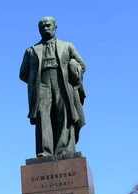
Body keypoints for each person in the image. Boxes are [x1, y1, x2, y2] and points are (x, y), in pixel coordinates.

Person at [19, 17, 87, 157]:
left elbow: (82, 65)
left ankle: (64, 150)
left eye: (48, 25)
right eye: (42, 27)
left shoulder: (67, 46)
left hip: (62, 82)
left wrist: (74, 66)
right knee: (43, 116)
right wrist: (35, 82)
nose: (45, 28)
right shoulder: (31, 51)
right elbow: (23, 74)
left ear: (55, 27)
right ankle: (45, 152)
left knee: (64, 114)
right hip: (41, 84)